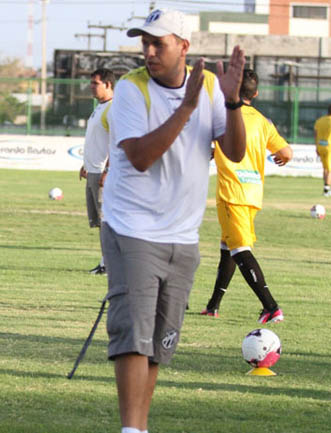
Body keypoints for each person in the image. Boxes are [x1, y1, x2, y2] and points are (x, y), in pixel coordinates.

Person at [102, 9, 246, 433]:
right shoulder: (131, 90)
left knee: (160, 344)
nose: (148, 51)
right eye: (143, 42)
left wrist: (233, 101)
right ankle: (131, 429)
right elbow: (142, 157)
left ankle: (140, 427)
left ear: (184, 47)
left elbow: (234, 152)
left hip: (183, 235)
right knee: (133, 334)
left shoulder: (212, 89)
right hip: (133, 228)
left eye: (157, 43)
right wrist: (186, 107)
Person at [200, 68, 293, 324]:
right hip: (253, 192)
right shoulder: (263, 121)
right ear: (257, 93)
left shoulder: (224, 115)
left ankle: (271, 307)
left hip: (232, 192)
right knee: (227, 247)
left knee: (240, 250)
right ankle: (213, 306)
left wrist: (211, 151)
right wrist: (279, 158)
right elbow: (286, 152)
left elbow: (201, 140)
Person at [79, 68, 114, 275]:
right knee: (100, 222)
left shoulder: (113, 109)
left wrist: (108, 170)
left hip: (103, 173)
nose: (91, 86)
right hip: (93, 170)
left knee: (107, 221)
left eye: (95, 83)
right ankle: (105, 261)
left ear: (108, 85)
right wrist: (86, 164)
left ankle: (109, 264)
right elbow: (96, 141)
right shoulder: (99, 108)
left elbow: (116, 141)